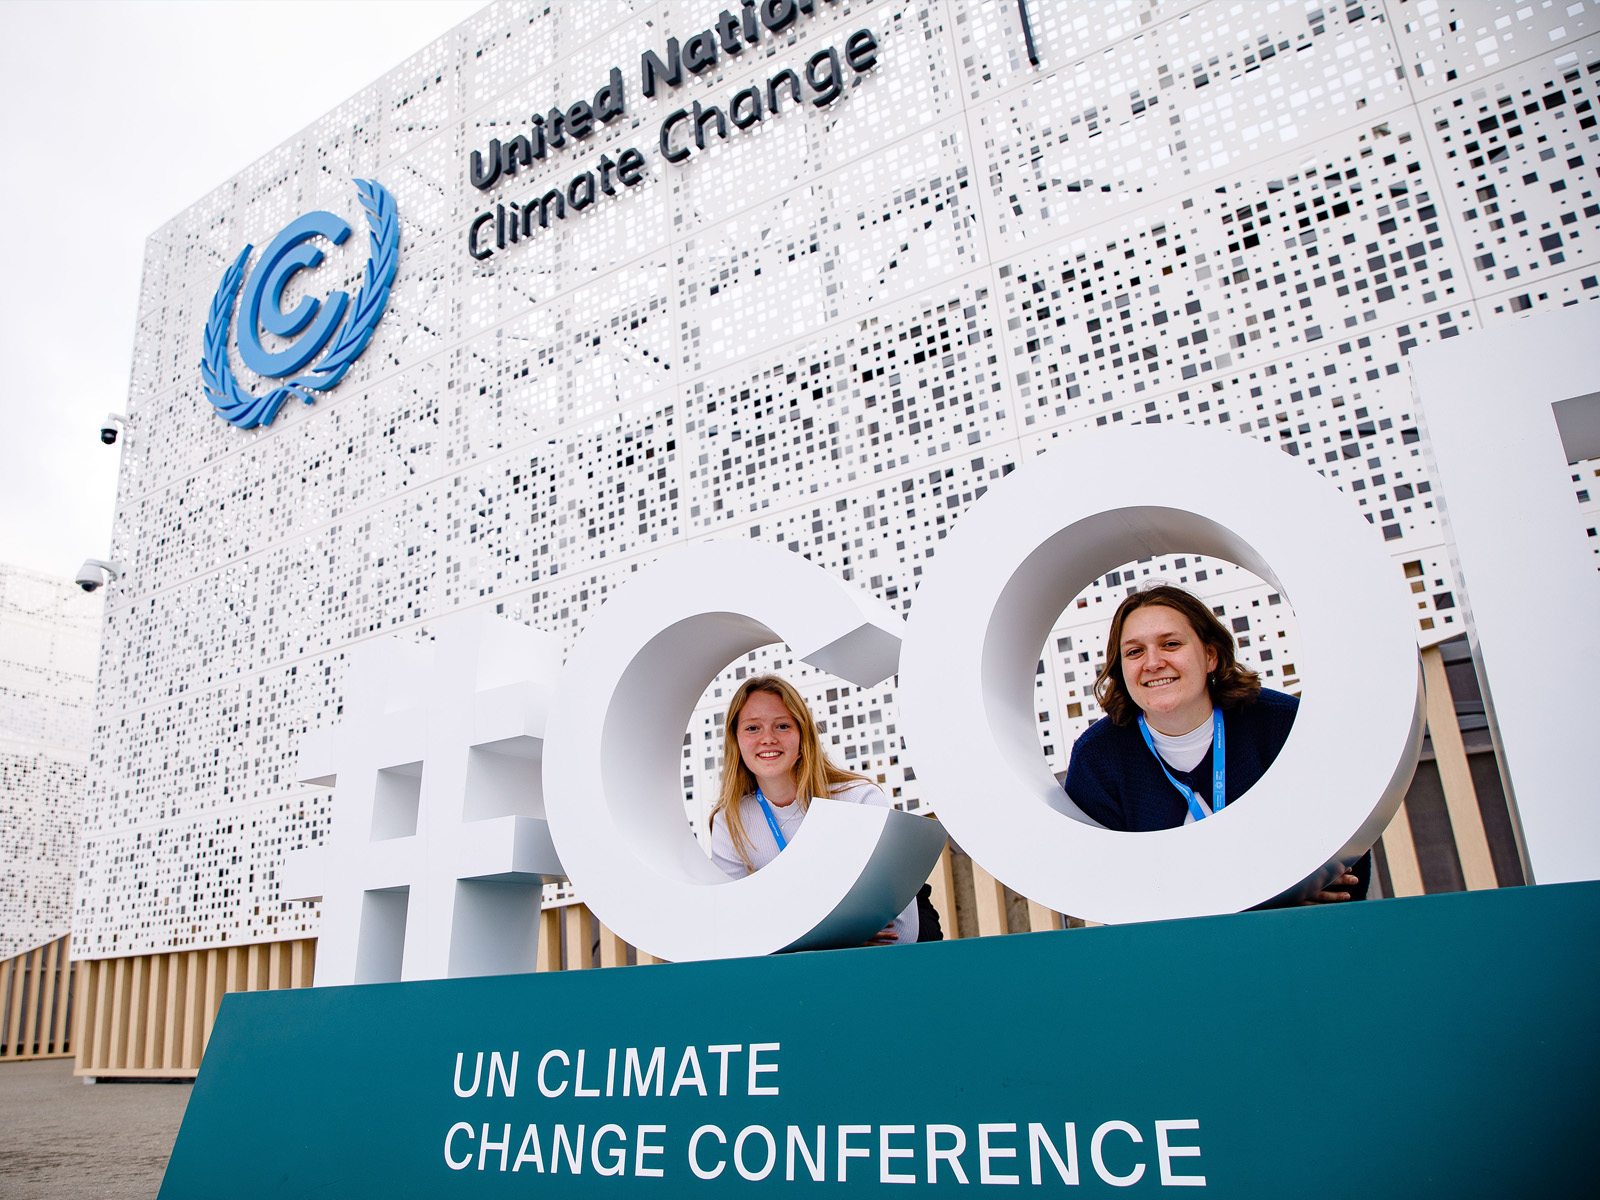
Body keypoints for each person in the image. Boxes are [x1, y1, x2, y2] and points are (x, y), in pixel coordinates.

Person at [1063, 584, 1368, 904]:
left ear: (1210, 655)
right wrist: (1270, 898)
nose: (1153, 663)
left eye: (1170, 644)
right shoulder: (1095, 760)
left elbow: (1345, 862)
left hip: (1298, 931)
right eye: (1134, 652)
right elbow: (1110, 893)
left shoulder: (1282, 723)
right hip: (1182, 938)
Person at [708, 674, 920, 943]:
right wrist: (838, 938)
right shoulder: (730, 822)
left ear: (802, 734)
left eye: (782, 726)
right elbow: (734, 930)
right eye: (752, 728)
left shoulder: (860, 800)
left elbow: (902, 931)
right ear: (735, 740)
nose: (768, 738)